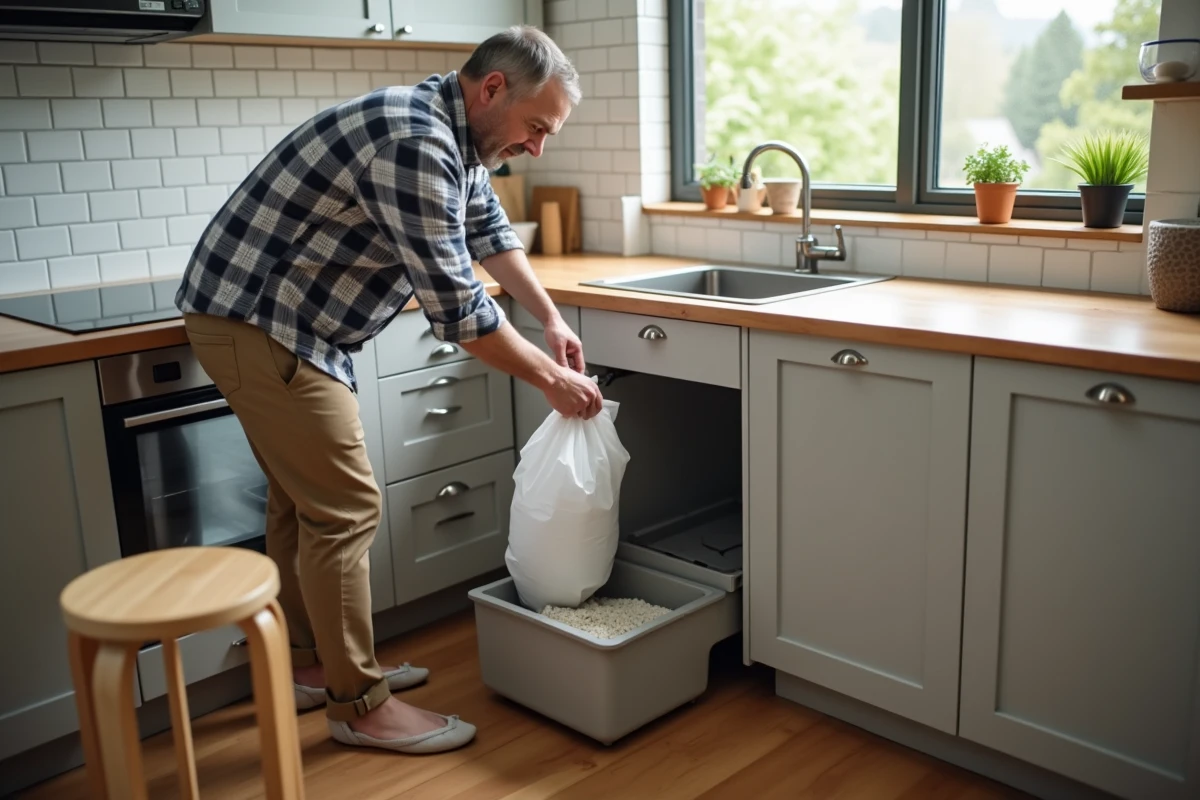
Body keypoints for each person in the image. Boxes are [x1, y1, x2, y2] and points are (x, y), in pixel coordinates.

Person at [174, 26, 602, 755]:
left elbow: (487, 228)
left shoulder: (456, 135)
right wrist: (549, 377)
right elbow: (459, 311)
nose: (537, 148)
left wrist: (553, 318)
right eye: (536, 128)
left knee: (300, 503)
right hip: (264, 322)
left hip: (285, 322)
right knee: (345, 508)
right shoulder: (414, 141)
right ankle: (359, 706)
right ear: (492, 88)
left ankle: (312, 667)